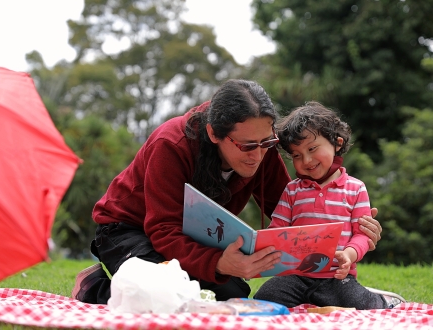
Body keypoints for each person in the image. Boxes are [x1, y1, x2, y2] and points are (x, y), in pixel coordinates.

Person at [72, 80, 382, 304]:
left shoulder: (262, 145)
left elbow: (291, 211)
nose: (257, 156)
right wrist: (220, 263)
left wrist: (353, 226)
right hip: (127, 230)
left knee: (232, 297)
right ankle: (93, 288)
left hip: (191, 238)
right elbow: (162, 229)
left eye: (266, 143)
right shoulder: (171, 144)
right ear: (213, 133)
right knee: (163, 295)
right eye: (247, 146)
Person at [254, 102, 405, 309]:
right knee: (264, 297)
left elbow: (362, 235)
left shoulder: (356, 188)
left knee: (359, 303)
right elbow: (277, 231)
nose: (306, 160)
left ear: (337, 143)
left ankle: (384, 301)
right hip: (296, 276)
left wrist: (349, 255)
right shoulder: (292, 190)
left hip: (337, 276)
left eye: (312, 148)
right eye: (296, 155)